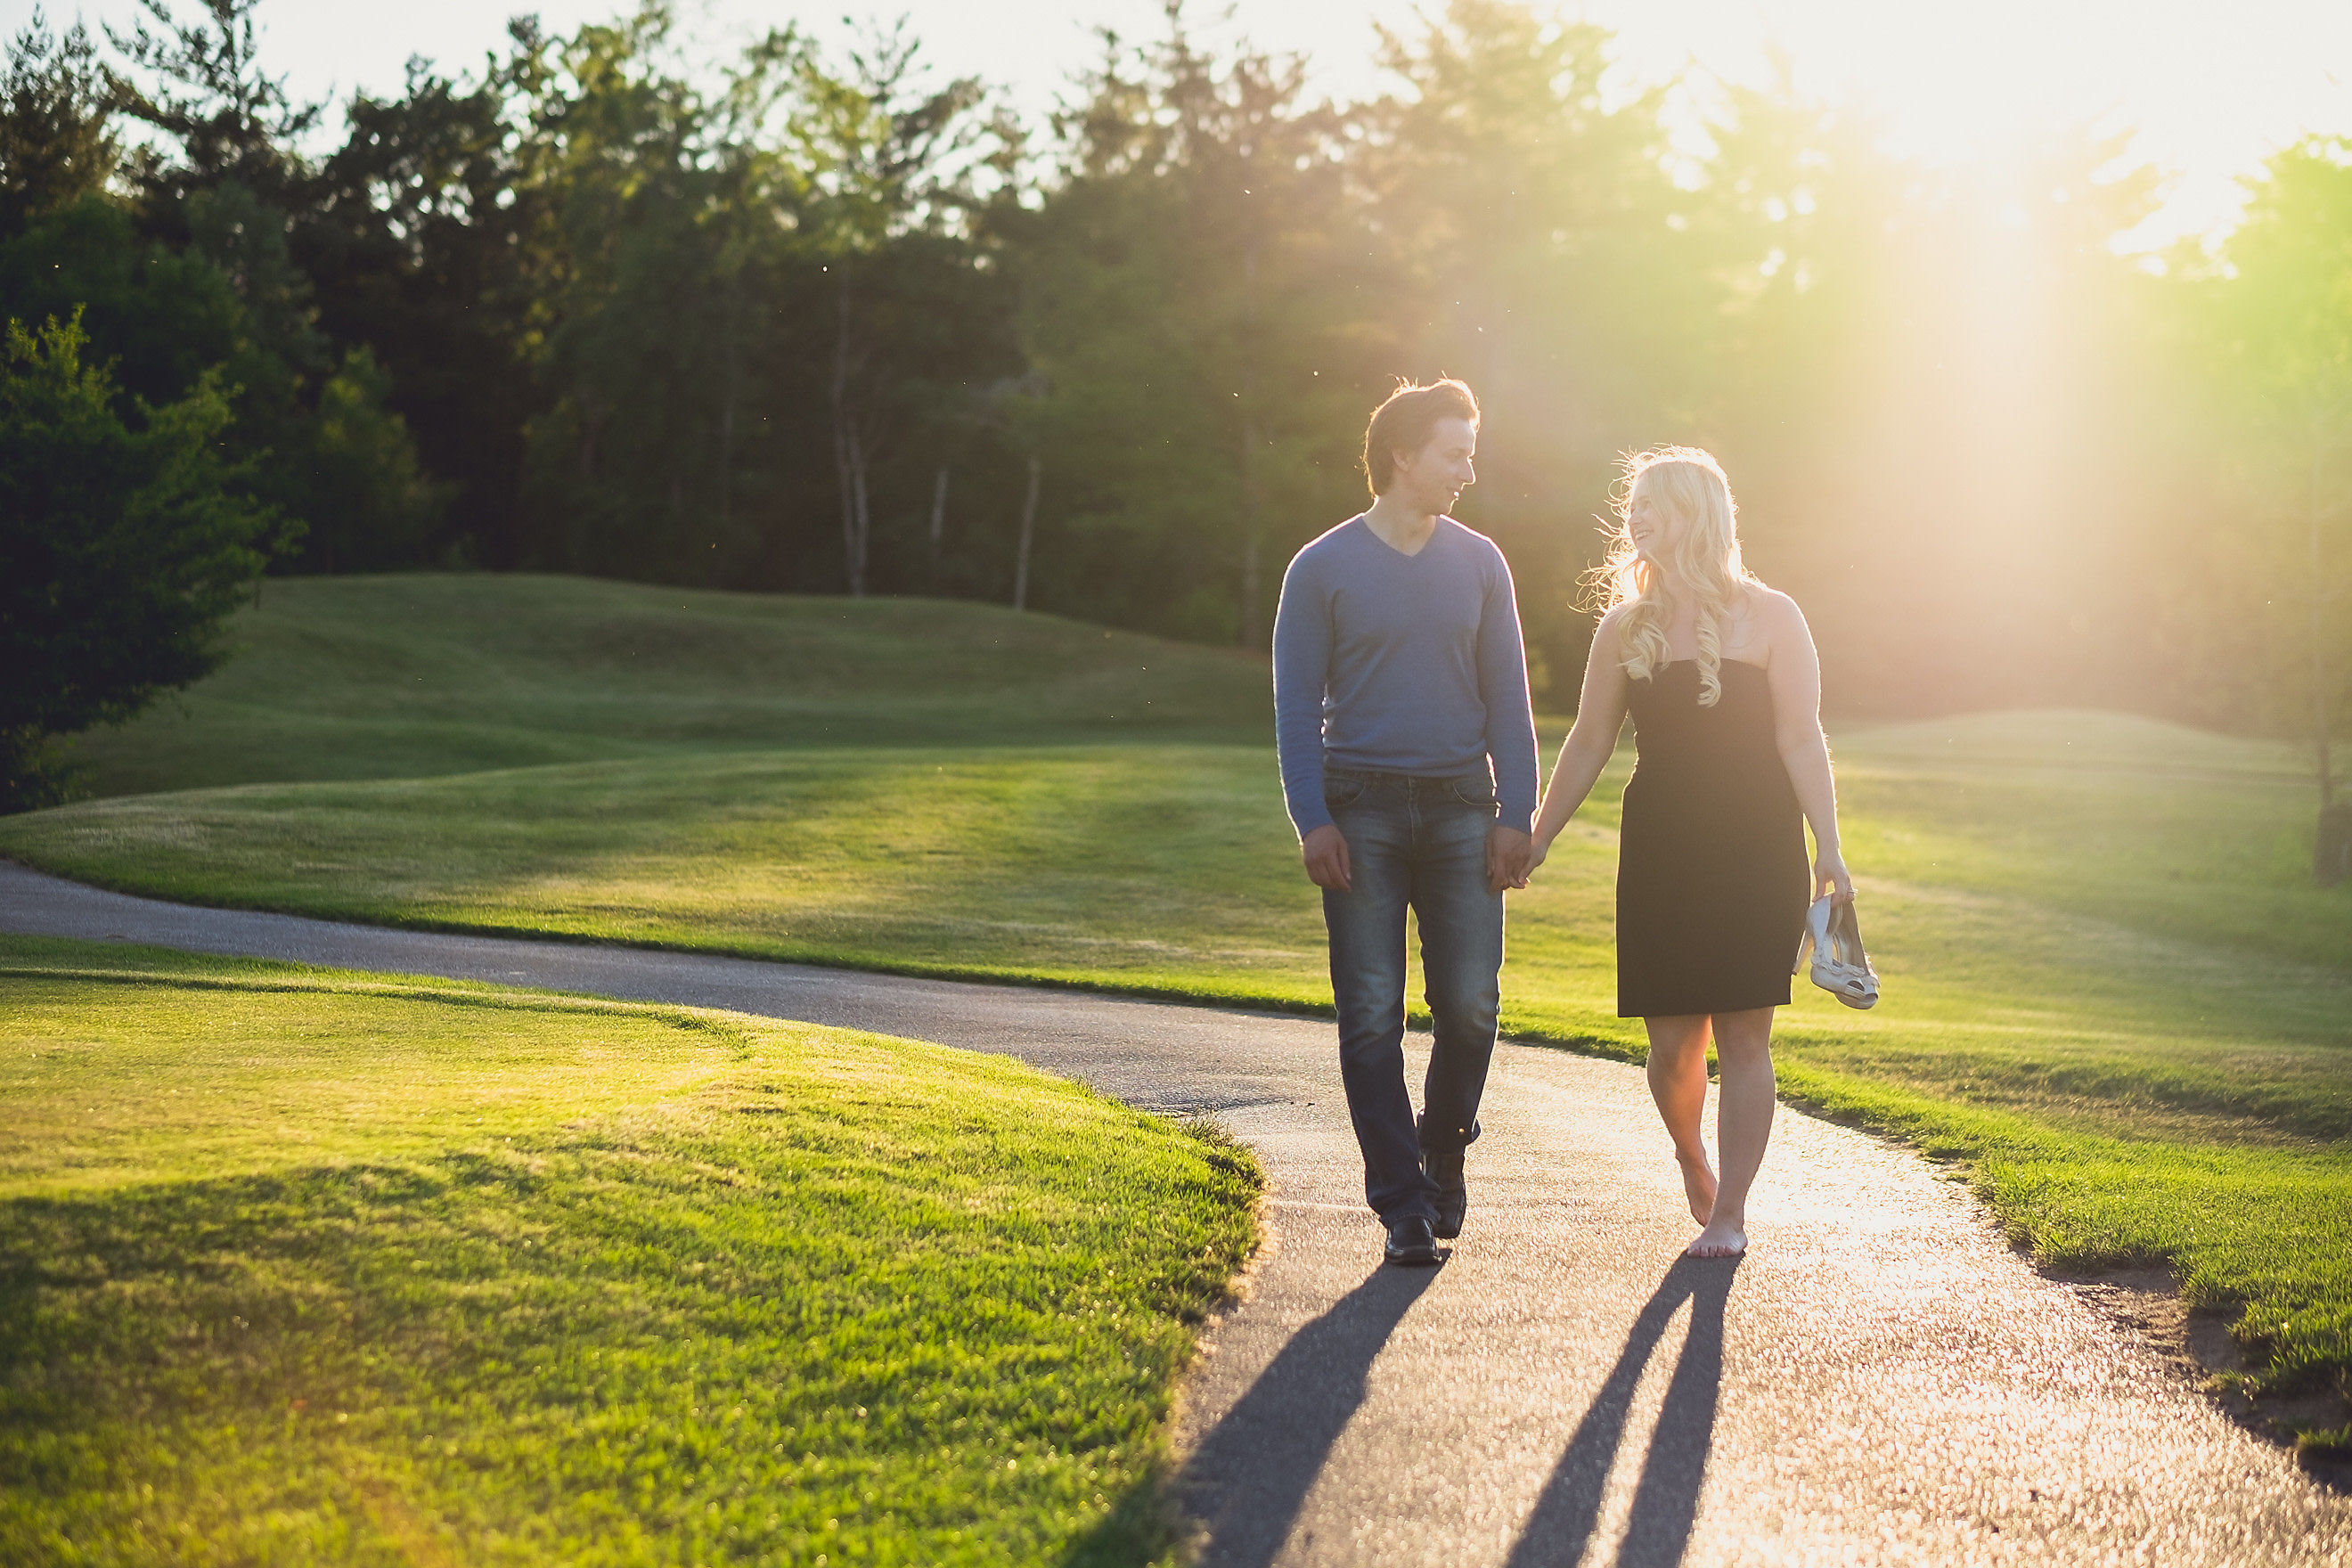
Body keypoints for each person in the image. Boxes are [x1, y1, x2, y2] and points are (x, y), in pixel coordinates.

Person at [1523, 446, 1852, 1258]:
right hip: (1663, 845)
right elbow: (1591, 741)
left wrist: (1830, 848)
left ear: (1698, 514)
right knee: (1671, 1042)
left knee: (1746, 1031)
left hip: (1756, 844)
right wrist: (1537, 836)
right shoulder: (1622, 626)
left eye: (1654, 503)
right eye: (1633, 503)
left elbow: (1802, 738)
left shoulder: (1774, 616)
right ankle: (1688, 1150)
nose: (1636, 516)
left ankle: (1733, 1212)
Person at [1271, 379, 1539, 1268]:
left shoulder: (1480, 562)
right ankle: (1400, 1202)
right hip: (1362, 808)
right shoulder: (1322, 567)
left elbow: (1511, 696)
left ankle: (1445, 1142)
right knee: (1371, 1012)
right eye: (1455, 453)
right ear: (1403, 456)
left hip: (1464, 804)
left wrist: (1517, 813)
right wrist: (1312, 818)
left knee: (1469, 1004)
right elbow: (1294, 707)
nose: (1469, 469)